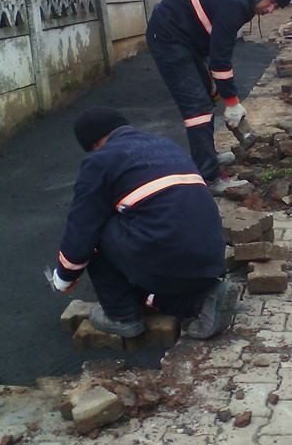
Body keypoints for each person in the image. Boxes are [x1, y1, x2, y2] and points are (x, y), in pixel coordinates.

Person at [50, 107, 237, 340]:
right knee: (142, 226)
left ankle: (121, 316)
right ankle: (201, 300)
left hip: (167, 255)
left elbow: (81, 227)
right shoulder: (166, 146)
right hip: (211, 256)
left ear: (96, 143)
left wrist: (64, 276)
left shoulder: (100, 160)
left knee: (98, 228)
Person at [146, 0, 292, 194]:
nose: (270, 9)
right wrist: (232, 101)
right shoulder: (234, 2)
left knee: (206, 96)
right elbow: (220, 58)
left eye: (276, 6)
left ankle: (207, 156)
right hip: (169, 37)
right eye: (272, 1)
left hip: (189, 39)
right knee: (197, 108)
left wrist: (217, 86)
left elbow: (217, 48)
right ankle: (209, 178)